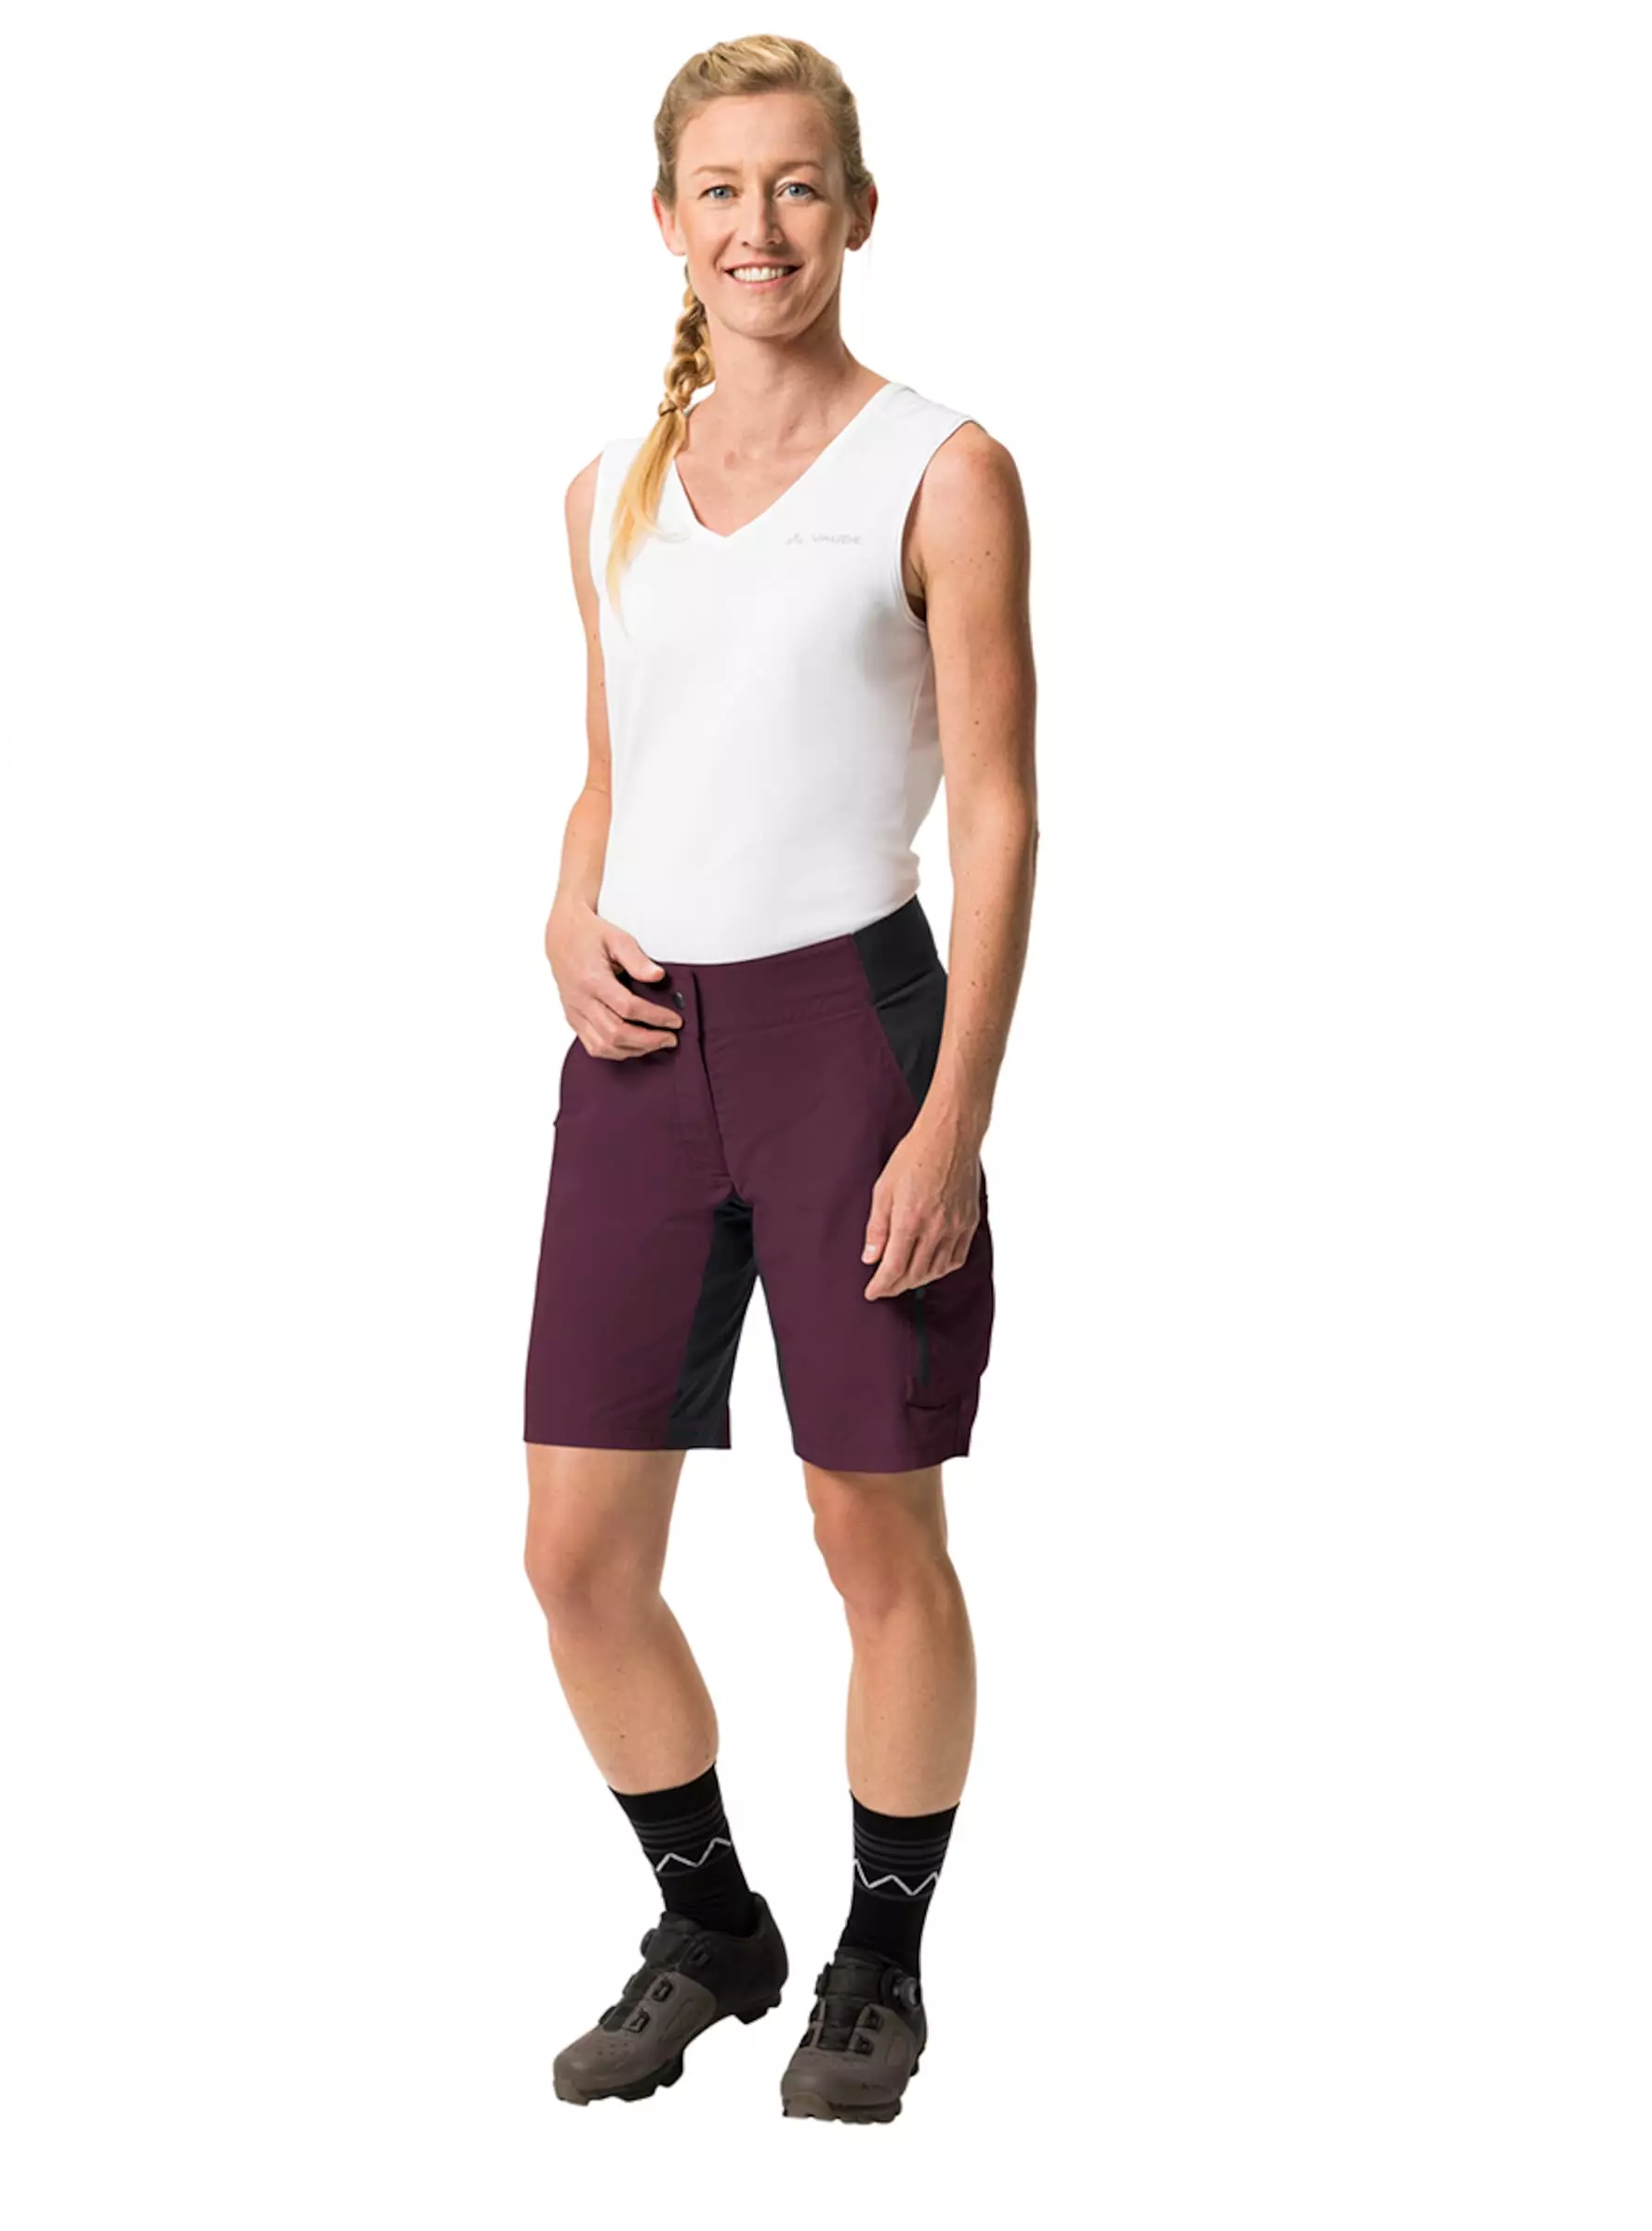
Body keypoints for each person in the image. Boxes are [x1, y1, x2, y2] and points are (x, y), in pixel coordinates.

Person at [522, 35, 1036, 2125]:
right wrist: (565, 909)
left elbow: (998, 810)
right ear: (668, 220)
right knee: (575, 1555)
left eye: (799, 185)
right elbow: (615, 772)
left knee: (867, 1530)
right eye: (722, 190)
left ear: (858, 209)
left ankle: (878, 1968)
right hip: (641, 1052)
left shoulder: (945, 470)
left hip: (851, 1035)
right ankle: (712, 1922)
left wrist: (952, 1119)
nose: (761, 226)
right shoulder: (608, 492)